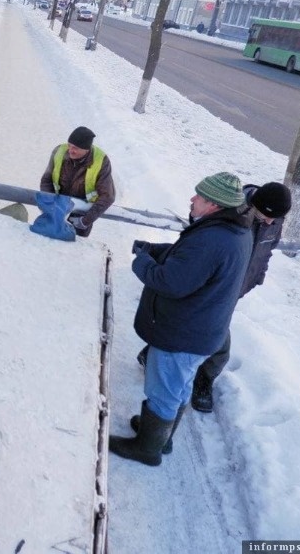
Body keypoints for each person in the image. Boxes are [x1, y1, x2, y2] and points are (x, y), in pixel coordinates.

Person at [110, 172, 252, 466]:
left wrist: (143, 261)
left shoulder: (212, 239)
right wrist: (157, 251)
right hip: (202, 331)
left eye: (198, 196)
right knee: (180, 385)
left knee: (163, 389)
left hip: (182, 333)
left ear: (213, 205)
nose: (192, 199)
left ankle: (147, 448)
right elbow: (190, 262)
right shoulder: (234, 231)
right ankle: (161, 438)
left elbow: (171, 282)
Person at [137, 182, 292, 414]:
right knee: (203, 332)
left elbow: (265, 253)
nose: (270, 223)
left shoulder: (273, 218)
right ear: (256, 205)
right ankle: (164, 359)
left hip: (234, 287)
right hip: (214, 281)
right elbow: (202, 238)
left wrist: (257, 277)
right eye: (267, 217)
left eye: (275, 219)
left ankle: (201, 380)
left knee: (207, 334)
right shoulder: (233, 208)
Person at [39, 126, 116, 237]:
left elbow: (108, 196)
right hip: (56, 209)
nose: (70, 150)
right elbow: (47, 180)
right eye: (69, 145)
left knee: (74, 248)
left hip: (80, 215)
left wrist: (85, 221)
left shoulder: (101, 161)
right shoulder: (59, 151)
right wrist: (49, 205)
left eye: (75, 148)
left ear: (86, 149)